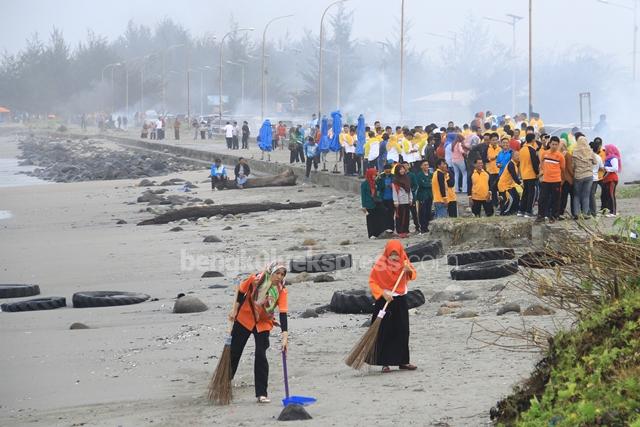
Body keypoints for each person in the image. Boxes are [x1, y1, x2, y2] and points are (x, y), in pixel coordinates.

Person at [229, 262, 288, 404]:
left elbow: (283, 313)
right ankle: (225, 382)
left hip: (263, 322)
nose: (279, 277)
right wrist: (235, 310)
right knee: (234, 352)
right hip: (245, 317)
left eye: (282, 274)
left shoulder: (281, 290)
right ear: (271, 272)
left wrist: (284, 335)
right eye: (277, 273)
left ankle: (261, 393)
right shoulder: (255, 280)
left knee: (261, 354)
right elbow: (241, 291)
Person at [367, 240, 417, 373]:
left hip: (400, 300)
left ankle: (403, 361)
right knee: (385, 331)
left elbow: (413, 275)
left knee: (402, 330)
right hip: (385, 301)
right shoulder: (380, 264)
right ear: (387, 253)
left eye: (396, 254)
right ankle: (385, 363)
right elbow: (372, 282)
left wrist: (409, 270)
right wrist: (383, 293)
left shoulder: (404, 262)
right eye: (391, 254)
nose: (394, 257)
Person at [537, 136, 565, 222]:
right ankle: (541, 216)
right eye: (553, 144)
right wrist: (542, 173)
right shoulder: (544, 154)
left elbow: (563, 169)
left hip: (556, 181)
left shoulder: (560, 156)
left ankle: (553, 216)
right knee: (542, 199)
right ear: (549, 144)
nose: (554, 146)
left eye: (556, 145)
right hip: (546, 180)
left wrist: (561, 180)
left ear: (558, 145)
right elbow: (541, 165)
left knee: (555, 199)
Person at [571, 136, 597, 218]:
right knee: (586, 195)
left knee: (576, 195)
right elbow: (595, 162)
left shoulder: (575, 152)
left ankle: (576, 213)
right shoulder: (590, 151)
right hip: (588, 176)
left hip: (578, 176)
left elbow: (573, 165)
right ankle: (585, 213)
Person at [518, 133, 540, 217]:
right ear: (533, 140)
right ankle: (528, 211)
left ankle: (521, 210)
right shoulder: (531, 150)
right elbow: (534, 163)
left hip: (524, 174)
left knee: (525, 193)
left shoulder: (522, 149)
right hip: (531, 174)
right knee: (532, 193)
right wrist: (537, 173)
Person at [361, 168, 386, 239]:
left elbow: (382, 187)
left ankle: (378, 233)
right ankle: (371, 234)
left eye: (375, 175)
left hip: (377, 203)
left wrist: (380, 178)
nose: (374, 176)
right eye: (373, 175)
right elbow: (363, 195)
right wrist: (363, 206)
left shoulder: (377, 182)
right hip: (369, 204)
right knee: (370, 220)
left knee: (378, 219)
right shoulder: (364, 184)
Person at [392, 164, 413, 238]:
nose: (402, 171)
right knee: (400, 217)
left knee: (407, 217)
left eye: (403, 169)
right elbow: (394, 191)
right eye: (400, 169)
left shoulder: (406, 179)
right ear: (397, 171)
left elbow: (409, 190)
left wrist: (410, 199)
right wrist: (395, 201)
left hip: (406, 200)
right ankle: (400, 231)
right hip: (400, 201)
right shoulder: (395, 181)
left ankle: (406, 231)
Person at [498, 150, 521, 215]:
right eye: (517, 155)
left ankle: (513, 211)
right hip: (504, 185)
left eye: (519, 155)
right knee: (510, 199)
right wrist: (520, 184)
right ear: (512, 157)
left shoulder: (516, 164)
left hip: (510, 185)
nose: (518, 157)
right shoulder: (511, 164)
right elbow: (514, 176)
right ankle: (504, 212)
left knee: (517, 197)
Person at [602, 144, 621, 217]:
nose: (604, 151)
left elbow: (615, 168)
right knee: (609, 195)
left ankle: (613, 212)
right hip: (608, 179)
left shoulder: (613, 158)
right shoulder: (608, 158)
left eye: (605, 150)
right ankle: (611, 211)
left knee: (611, 195)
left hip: (612, 179)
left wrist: (606, 168)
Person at [376, 164, 396, 232]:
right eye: (386, 170)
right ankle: (384, 229)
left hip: (391, 199)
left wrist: (392, 186)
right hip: (383, 198)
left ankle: (391, 228)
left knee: (391, 214)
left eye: (389, 170)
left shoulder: (394, 177)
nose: (388, 171)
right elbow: (378, 187)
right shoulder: (380, 177)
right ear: (384, 170)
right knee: (383, 215)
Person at [415, 160, 433, 233]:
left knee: (428, 212)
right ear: (421, 166)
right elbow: (422, 184)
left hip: (429, 195)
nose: (426, 166)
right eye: (424, 165)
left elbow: (432, 183)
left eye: (427, 165)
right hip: (422, 196)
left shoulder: (430, 174)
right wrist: (429, 184)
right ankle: (423, 227)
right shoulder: (419, 175)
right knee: (422, 212)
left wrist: (428, 184)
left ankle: (427, 226)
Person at [589, 138, 605, 216]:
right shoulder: (598, 157)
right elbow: (602, 168)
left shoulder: (588, 155)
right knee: (592, 195)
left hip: (588, 177)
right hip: (595, 178)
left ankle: (589, 211)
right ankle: (593, 211)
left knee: (587, 195)